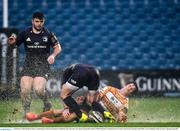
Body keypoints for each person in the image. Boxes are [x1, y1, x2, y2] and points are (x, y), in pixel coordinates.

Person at [8, 11, 61, 117]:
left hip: (43, 66)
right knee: (25, 90)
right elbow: (14, 46)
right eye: (37, 21)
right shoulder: (25, 33)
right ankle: (27, 113)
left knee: (38, 90)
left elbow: (58, 47)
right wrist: (12, 43)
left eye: (41, 21)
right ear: (32, 21)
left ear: (44, 21)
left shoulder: (48, 34)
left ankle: (47, 103)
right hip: (28, 65)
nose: (39, 24)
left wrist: (53, 56)